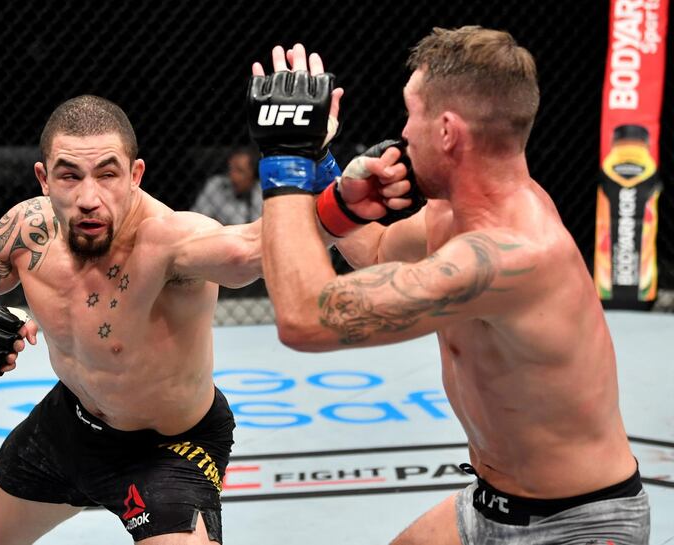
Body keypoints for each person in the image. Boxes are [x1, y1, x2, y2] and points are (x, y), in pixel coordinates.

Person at [247, 31, 649, 545]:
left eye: (411, 114)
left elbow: (307, 319)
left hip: (580, 525)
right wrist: (326, 166)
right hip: (487, 506)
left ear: (446, 131)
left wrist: (285, 160)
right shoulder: (450, 218)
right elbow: (374, 252)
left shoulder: (514, 255)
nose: (402, 132)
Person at [0, 94, 262, 544]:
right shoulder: (28, 230)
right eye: (70, 175)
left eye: (107, 174)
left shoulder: (172, 242)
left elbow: (253, 251)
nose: (89, 198)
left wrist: (318, 180)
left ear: (135, 175)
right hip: (70, 424)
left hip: (167, 448)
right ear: (44, 179)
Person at [191, 147, 262, 225]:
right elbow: (197, 218)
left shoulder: (262, 191)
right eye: (231, 169)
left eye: (240, 171)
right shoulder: (216, 184)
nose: (233, 176)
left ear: (254, 174)